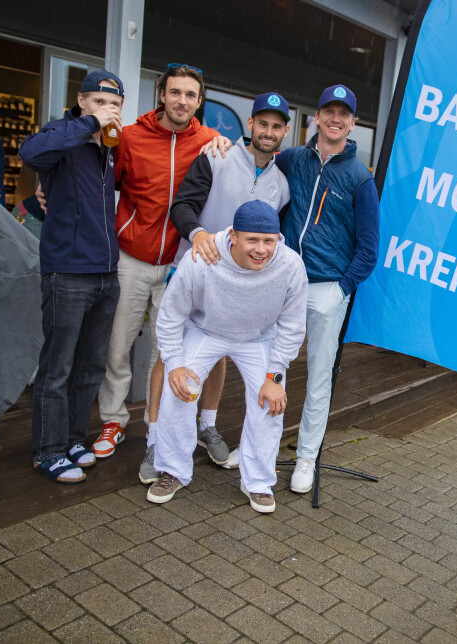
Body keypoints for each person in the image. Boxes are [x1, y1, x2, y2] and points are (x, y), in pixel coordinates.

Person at [91, 64, 221, 472]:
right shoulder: (130, 137)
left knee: (168, 352)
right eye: (176, 92)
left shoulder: (211, 142)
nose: (183, 100)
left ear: (199, 102)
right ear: (162, 95)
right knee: (118, 344)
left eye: (191, 95)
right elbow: (102, 184)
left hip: (179, 264)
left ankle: (157, 423)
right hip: (131, 256)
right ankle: (113, 421)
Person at [163, 90, 292, 482]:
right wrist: (199, 233)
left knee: (219, 355)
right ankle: (158, 443)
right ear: (249, 124)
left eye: (276, 126)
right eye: (262, 123)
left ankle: (208, 425)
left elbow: (274, 243)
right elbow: (181, 206)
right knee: (171, 362)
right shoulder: (215, 155)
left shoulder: (282, 184)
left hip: (241, 292)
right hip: (199, 273)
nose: (268, 132)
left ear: (285, 132)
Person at [149, 201, 308, 511]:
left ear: (278, 238)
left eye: (269, 241)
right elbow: (170, 315)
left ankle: (258, 482)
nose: (261, 249)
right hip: (205, 330)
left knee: (270, 403)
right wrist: (174, 363)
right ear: (233, 236)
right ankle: (172, 470)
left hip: (258, 337)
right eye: (252, 240)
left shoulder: (290, 265)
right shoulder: (202, 257)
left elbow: (292, 325)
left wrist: (275, 375)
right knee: (179, 389)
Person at [18, 70, 124, 483]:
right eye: (99, 101)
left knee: (90, 367)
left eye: (113, 104)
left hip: (105, 272)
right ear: (82, 101)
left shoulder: (109, 147)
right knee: (57, 367)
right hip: (67, 270)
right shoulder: (64, 132)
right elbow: (31, 154)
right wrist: (88, 125)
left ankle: (74, 439)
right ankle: (47, 450)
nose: (107, 110)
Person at [275, 84, 379, 494]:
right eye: (328, 111)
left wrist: (342, 289)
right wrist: (222, 144)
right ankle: (261, 448)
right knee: (271, 369)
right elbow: (258, 156)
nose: (336, 119)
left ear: (352, 123)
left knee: (319, 376)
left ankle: (305, 457)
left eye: (344, 113)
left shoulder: (359, 177)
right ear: (315, 117)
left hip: (326, 287)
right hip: (283, 282)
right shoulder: (295, 159)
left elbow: (370, 248)